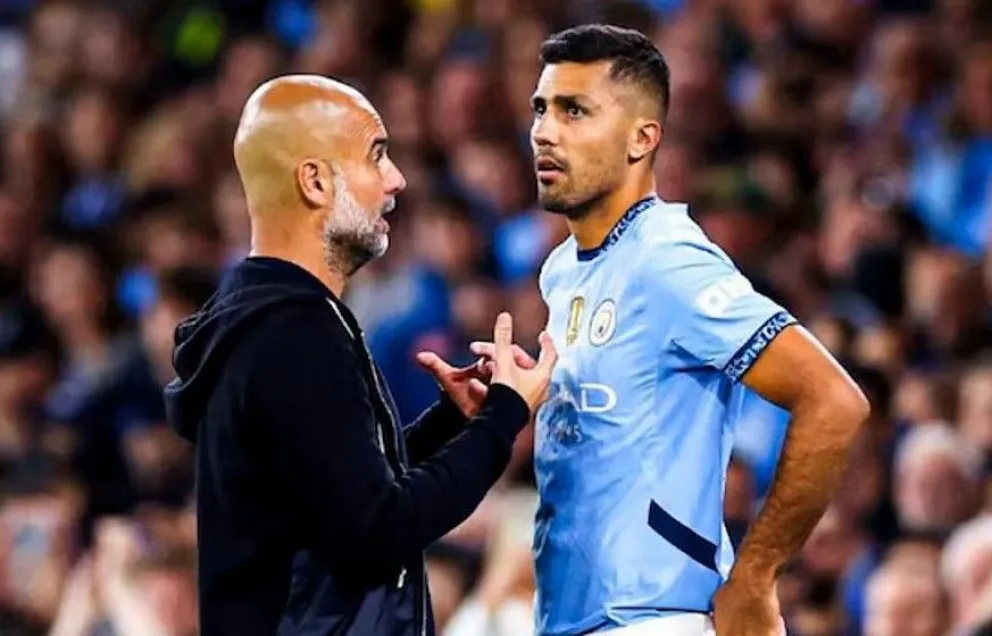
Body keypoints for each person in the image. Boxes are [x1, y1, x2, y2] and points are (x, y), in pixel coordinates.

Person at [471, 25, 870, 636]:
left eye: (575, 111)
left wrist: (757, 575)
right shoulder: (563, 272)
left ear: (642, 138)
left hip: (657, 619)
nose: (546, 131)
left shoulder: (668, 260)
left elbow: (834, 401)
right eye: (541, 109)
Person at [163, 75, 557, 636]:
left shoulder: (279, 316)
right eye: (376, 156)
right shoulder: (291, 333)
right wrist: (503, 420)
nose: (396, 179)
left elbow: (338, 493)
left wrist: (452, 423)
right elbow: (377, 531)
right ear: (316, 181)